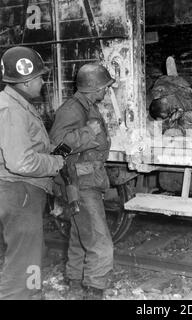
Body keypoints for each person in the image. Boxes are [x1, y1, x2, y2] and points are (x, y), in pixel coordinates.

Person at [0, 46, 65, 299]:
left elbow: (30, 146)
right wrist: (55, 162)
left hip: (22, 193)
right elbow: (22, 162)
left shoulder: (18, 104)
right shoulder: (11, 110)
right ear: (26, 81)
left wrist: (53, 151)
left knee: (31, 256)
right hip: (20, 192)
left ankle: (33, 294)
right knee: (23, 264)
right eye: (39, 76)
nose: (43, 81)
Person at [49, 63, 115, 300]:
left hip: (87, 180)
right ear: (93, 87)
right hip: (80, 183)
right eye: (105, 86)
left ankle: (75, 281)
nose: (106, 91)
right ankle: (94, 289)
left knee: (80, 234)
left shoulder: (87, 106)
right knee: (99, 241)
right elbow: (57, 149)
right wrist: (89, 132)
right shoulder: (72, 109)